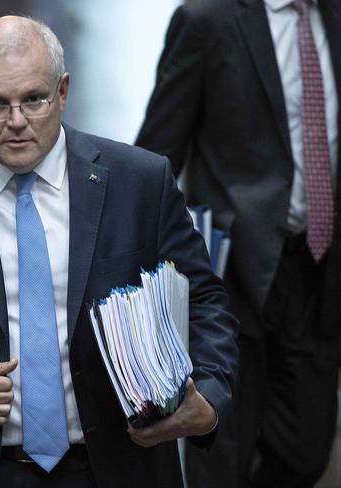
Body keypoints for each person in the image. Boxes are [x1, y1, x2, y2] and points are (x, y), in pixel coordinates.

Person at [0, 15, 237, 488]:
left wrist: (209, 396)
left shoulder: (140, 182)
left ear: (63, 91)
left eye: (34, 99)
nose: (16, 122)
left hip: (114, 467)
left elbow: (205, 300)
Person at [136, 1, 340, 487]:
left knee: (306, 450)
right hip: (232, 274)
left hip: (320, 268)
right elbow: (156, 155)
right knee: (221, 456)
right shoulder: (208, 20)